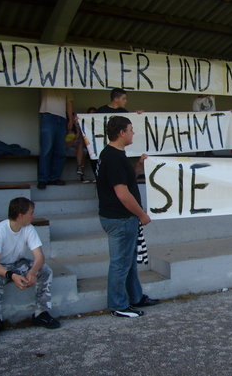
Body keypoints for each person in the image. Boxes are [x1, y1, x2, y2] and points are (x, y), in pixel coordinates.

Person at [96, 116, 159, 318]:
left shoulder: (112, 154)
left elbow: (127, 179)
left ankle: (135, 297)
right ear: (122, 132)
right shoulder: (113, 158)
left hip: (121, 218)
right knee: (120, 263)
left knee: (129, 261)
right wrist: (142, 215)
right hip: (120, 219)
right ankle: (118, 305)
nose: (133, 133)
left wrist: (139, 165)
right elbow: (122, 194)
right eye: (131, 130)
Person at [0, 197, 60, 340]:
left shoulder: (29, 228)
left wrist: (31, 273)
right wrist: (12, 275)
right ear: (20, 215)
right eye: (31, 213)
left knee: (45, 270)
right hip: (2, 267)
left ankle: (41, 313)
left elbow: (39, 257)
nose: (33, 216)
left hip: (19, 264)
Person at [38, 89, 74, 190]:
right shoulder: (47, 79)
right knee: (46, 149)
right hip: (47, 115)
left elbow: (69, 102)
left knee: (60, 151)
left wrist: (70, 119)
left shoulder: (67, 83)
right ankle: (43, 179)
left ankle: (54, 177)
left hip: (62, 117)